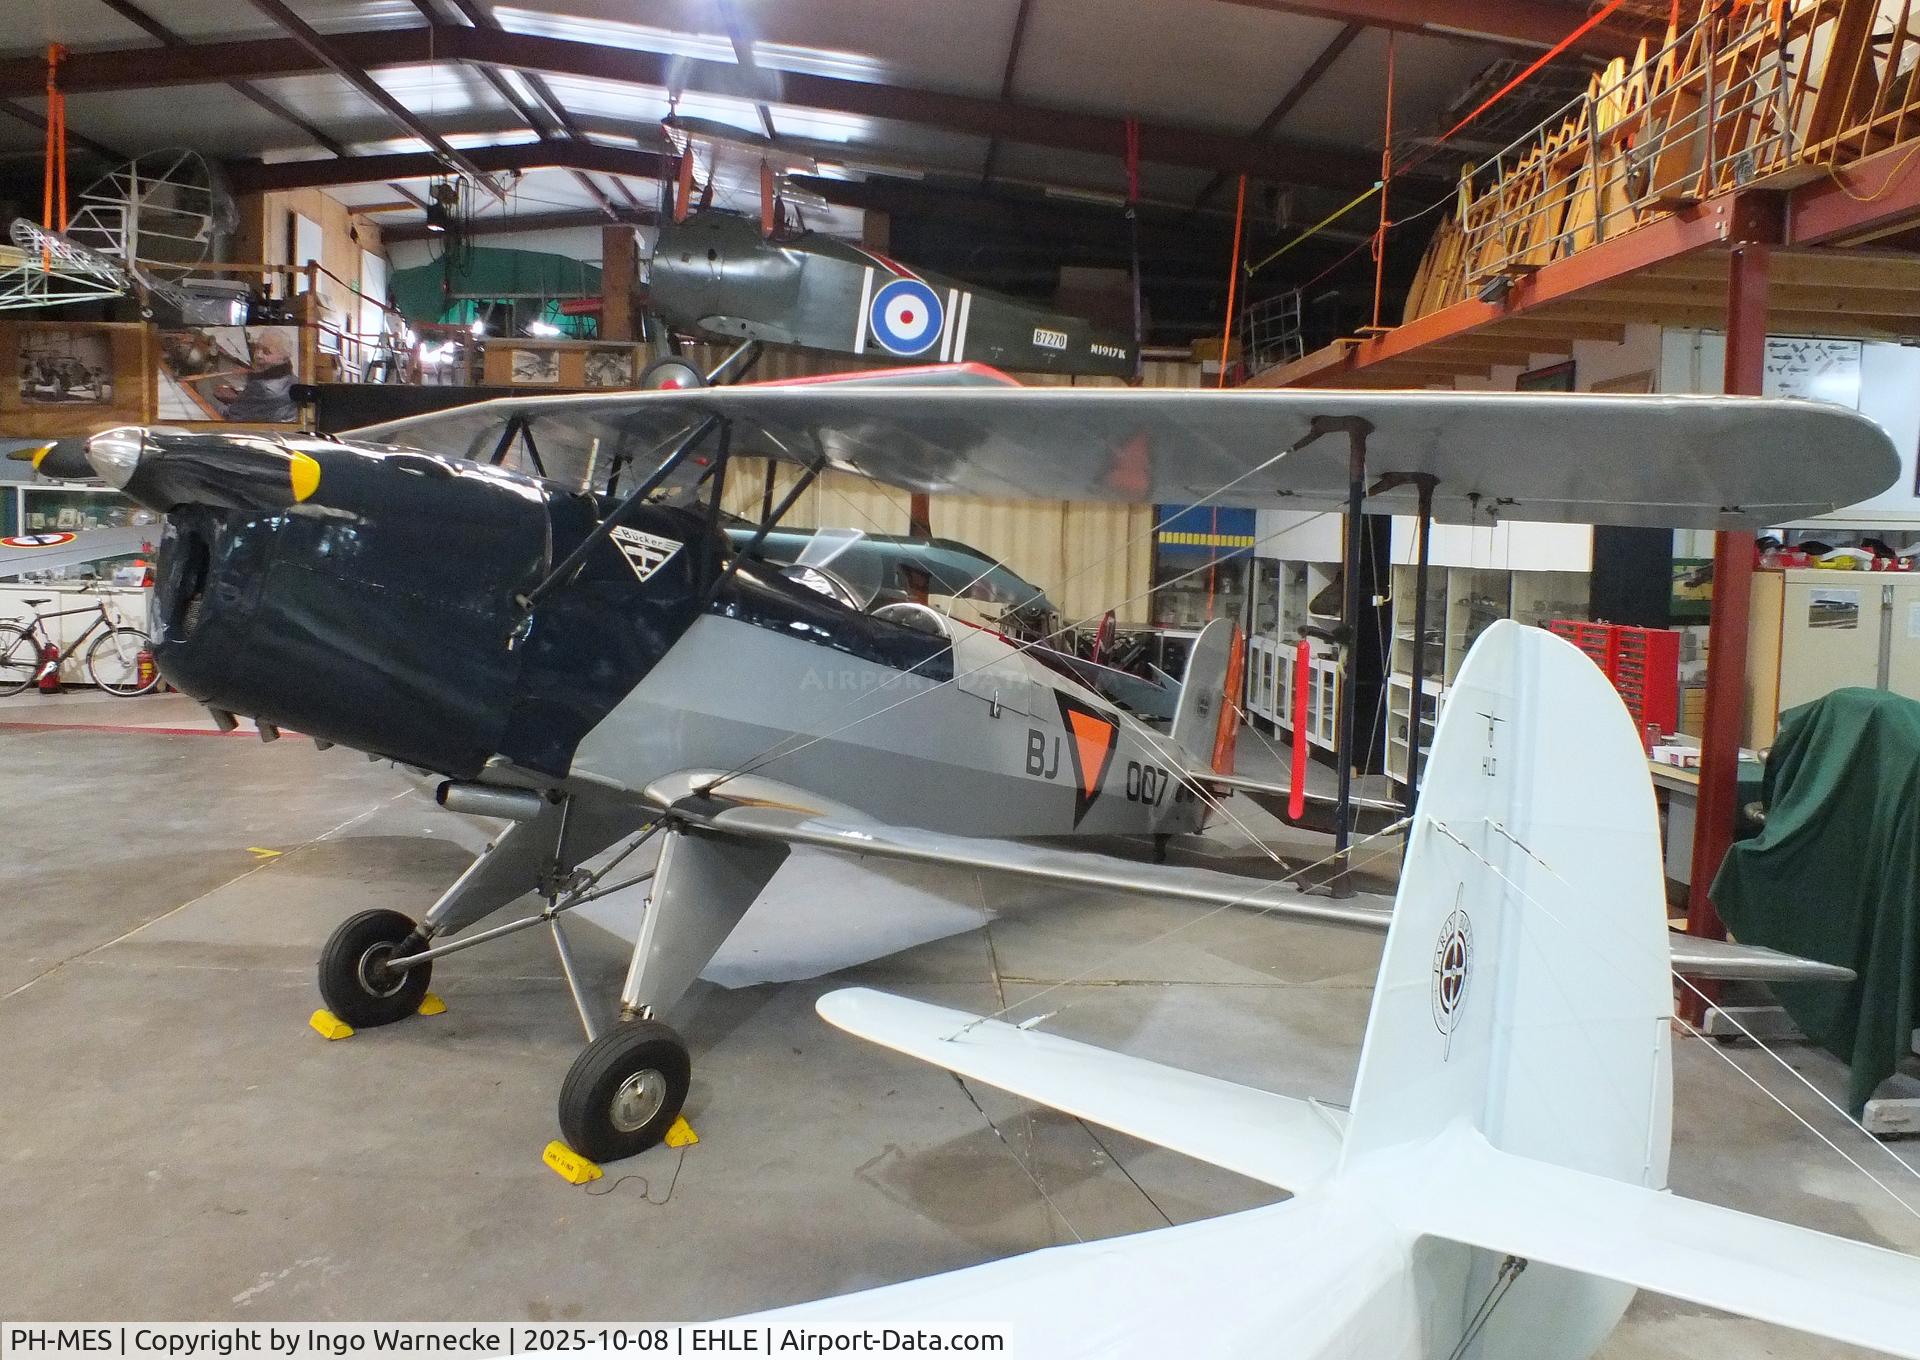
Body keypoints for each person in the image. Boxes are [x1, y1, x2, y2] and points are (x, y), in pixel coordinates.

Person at [217, 328, 298, 422]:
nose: (258, 355)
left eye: (266, 352)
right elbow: (260, 407)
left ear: (283, 358)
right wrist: (239, 397)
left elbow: (231, 416)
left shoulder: (260, 388)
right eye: (257, 348)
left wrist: (213, 401)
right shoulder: (295, 382)